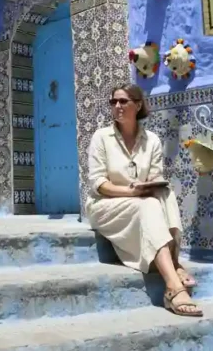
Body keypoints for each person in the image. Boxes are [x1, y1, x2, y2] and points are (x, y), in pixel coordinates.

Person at [85, 83, 203, 317]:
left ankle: (174, 261)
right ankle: (173, 284)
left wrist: (150, 186)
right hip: (104, 206)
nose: (117, 106)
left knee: (165, 194)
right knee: (148, 203)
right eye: (113, 102)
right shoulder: (101, 137)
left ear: (138, 105)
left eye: (123, 101)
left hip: (140, 202)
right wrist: (132, 192)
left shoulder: (152, 140)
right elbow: (98, 184)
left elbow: (156, 177)